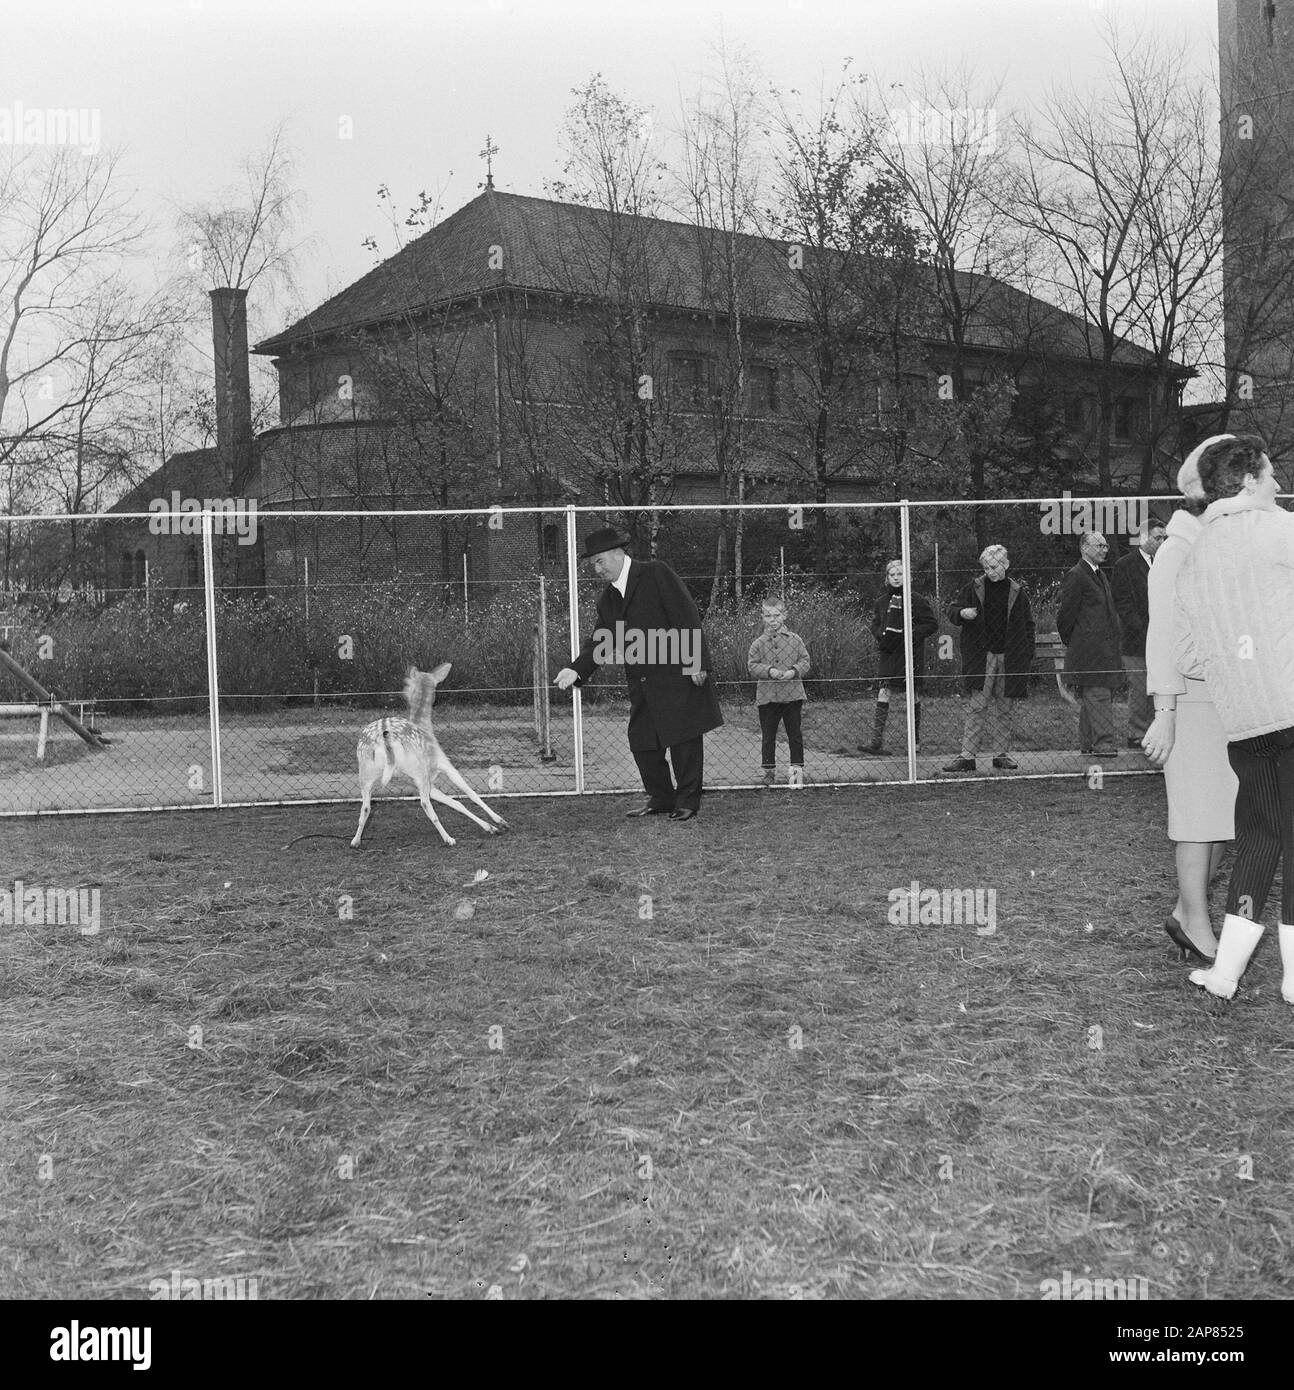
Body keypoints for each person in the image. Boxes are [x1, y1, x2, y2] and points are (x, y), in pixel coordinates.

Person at [1172, 435, 1294, 1004]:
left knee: (1261, 840)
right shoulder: (1280, 531)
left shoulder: (1196, 556)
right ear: (1247, 480)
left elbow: (1190, 655)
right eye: (1270, 476)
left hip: (1245, 726)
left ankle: (1225, 972)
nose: (1278, 486)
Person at [1142, 443, 1236, 964]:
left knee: (1223, 816)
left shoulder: (1218, 545)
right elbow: (1162, 640)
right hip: (1190, 702)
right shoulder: (1178, 551)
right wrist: (1165, 713)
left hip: (1224, 700)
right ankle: (1197, 922)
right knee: (1198, 819)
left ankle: (1184, 910)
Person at [555, 528, 722, 822]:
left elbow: (686, 614)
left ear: (619, 554)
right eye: (593, 563)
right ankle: (661, 798)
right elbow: (601, 640)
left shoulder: (656, 573)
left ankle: (688, 801)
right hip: (643, 680)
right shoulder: (608, 599)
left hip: (677, 673)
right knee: (642, 740)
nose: (597, 568)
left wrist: (696, 662)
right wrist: (575, 669)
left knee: (684, 739)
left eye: (600, 561)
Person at [943, 544, 1036, 774]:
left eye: (994, 567)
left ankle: (1000, 755)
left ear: (1006, 565)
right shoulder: (973, 588)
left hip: (1009, 656)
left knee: (1005, 707)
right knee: (978, 705)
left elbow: (1028, 626)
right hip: (981, 657)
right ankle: (967, 756)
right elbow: (952, 610)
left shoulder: (1018, 591)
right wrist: (962, 613)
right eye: (985, 567)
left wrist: (1026, 655)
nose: (990, 571)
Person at [859, 560, 939, 756]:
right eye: (892, 574)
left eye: (900, 574)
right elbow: (875, 624)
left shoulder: (916, 600)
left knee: (913, 695)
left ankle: (915, 742)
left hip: (910, 654)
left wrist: (911, 634)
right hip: (889, 655)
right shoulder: (881, 602)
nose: (896, 578)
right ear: (887, 578)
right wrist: (882, 636)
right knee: (883, 691)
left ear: (908, 577)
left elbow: (931, 624)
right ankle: (876, 742)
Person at [1057, 532, 1121, 758]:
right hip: (1089, 651)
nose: (1105, 549)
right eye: (1100, 545)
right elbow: (1065, 616)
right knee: (1099, 695)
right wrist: (1078, 642)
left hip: (1103, 650)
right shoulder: (1076, 575)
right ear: (1084, 548)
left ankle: (1087, 742)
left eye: (1106, 545)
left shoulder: (1100, 574)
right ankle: (1104, 745)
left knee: (1092, 696)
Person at [1112, 521, 1167, 749]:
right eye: (1157, 538)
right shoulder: (1125, 565)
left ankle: (1158, 730)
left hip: (1163, 638)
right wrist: (1146, 630)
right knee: (1140, 686)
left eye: (1164, 538)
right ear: (1144, 538)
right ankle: (1137, 733)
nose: (1162, 542)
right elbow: (1123, 604)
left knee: (1161, 687)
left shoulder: (1165, 562)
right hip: (1137, 640)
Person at [747, 597, 811, 786]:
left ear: (784, 615)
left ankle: (796, 775)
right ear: (762, 617)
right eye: (768, 616)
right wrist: (769, 671)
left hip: (793, 696)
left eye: (776, 615)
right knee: (768, 736)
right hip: (768, 698)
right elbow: (752, 666)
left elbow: (805, 661)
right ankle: (769, 773)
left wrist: (794, 671)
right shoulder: (757, 644)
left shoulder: (795, 640)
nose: (772, 620)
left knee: (795, 735)